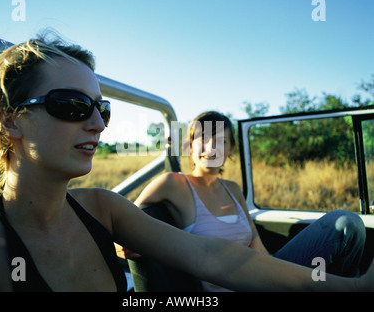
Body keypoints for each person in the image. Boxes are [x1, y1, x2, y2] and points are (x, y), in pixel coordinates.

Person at [0, 34, 373, 292]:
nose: (97, 125)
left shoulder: (102, 208)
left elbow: (213, 256)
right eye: (72, 106)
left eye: (102, 109)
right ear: (8, 119)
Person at [118, 111, 367, 291]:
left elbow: (258, 247)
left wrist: (290, 274)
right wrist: (123, 244)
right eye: (202, 138)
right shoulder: (172, 183)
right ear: (189, 145)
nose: (211, 147)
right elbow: (123, 219)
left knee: (346, 224)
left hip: (263, 275)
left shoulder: (233, 189)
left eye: (221, 141)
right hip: (226, 286)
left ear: (230, 150)